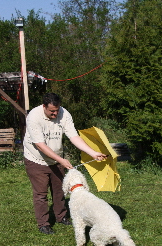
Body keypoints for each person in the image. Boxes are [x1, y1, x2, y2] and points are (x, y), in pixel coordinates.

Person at [23, 93, 107, 234]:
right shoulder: (33, 117)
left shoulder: (64, 113)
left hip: (57, 158)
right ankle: (43, 224)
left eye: (57, 110)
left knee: (59, 190)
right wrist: (61, 160)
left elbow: (73, 136)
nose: (56, 113)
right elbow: (40, 145)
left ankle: (61, 217)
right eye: (52, 111)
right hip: (36, 159)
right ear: (44, 106)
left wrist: (93, 153)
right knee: (41, 194)